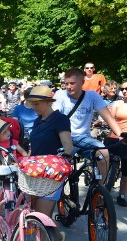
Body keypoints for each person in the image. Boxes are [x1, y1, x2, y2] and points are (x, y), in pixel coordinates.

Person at [52, 68, 123, 181]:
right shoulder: (60, 95)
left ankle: (99, 189)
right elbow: (54, 116)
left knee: (103, 153)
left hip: (83, 137)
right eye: (66, 83)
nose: (69, 86)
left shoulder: (92, 96)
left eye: (72, 83)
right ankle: (58, 194)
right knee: (59, 163)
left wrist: (120, 134)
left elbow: (107, 116)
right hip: (64, 137)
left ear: (82, 82)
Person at [26, 85, 74, 219]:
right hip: (35, 172)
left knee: (42, 217)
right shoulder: (37, 120)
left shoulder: (60, 119)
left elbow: (68, 146)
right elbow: (35, 146)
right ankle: (55, 237)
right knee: (36, 213)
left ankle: (53, 238)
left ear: (48, 102)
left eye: (37, 104)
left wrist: (61, 159)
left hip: (51, 173)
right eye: (32, 104)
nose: (34, 107)